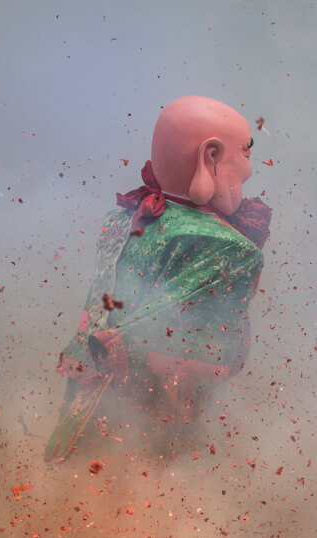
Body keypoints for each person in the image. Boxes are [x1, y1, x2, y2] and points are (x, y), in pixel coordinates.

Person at [46, 96, 271, 465]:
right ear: (210, 156)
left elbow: (102, 308)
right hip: (156, 408)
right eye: (245, 154)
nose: (248, 169)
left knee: (78, 485)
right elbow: (222, 352)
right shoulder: (229, 246)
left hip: (87, 384)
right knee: (145, 497)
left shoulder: (121, 219)